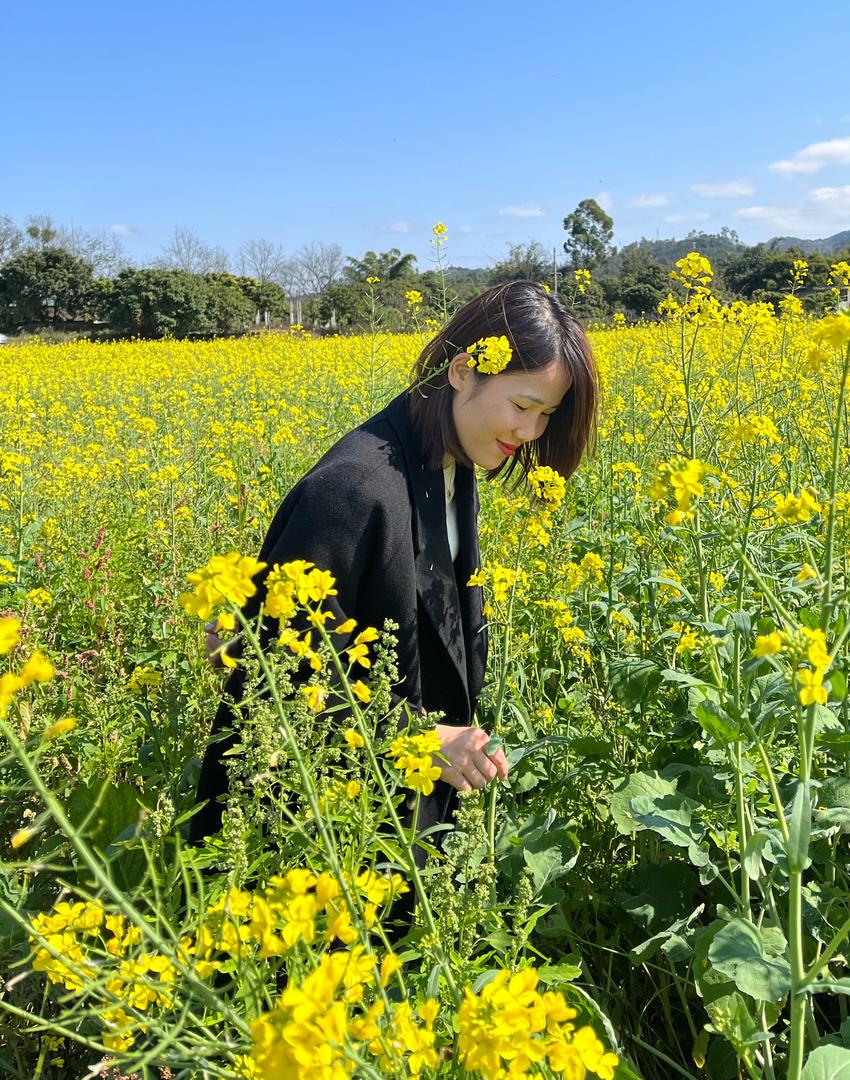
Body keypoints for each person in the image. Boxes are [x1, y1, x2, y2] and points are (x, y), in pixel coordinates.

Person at [189, 281, 598, 850]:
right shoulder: (355, 489)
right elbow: (278, 674)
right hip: (310, 836)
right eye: (522, 406)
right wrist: (421, 738)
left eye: (546, 414)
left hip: (387, 813)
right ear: (463, 372)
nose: (530, 433)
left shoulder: (450, 461)